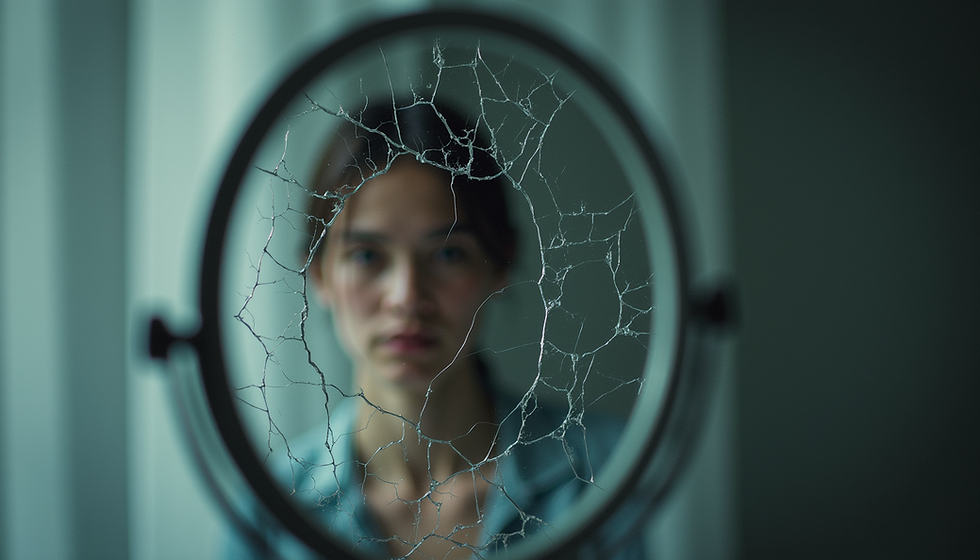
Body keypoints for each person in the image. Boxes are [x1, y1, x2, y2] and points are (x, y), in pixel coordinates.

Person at [229, 101, 648, 559]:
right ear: (320, 274)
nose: (407, 297)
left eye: (448, 254)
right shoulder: (270, 508)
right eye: (367, 256)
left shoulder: (601, 470)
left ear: (498, 264)